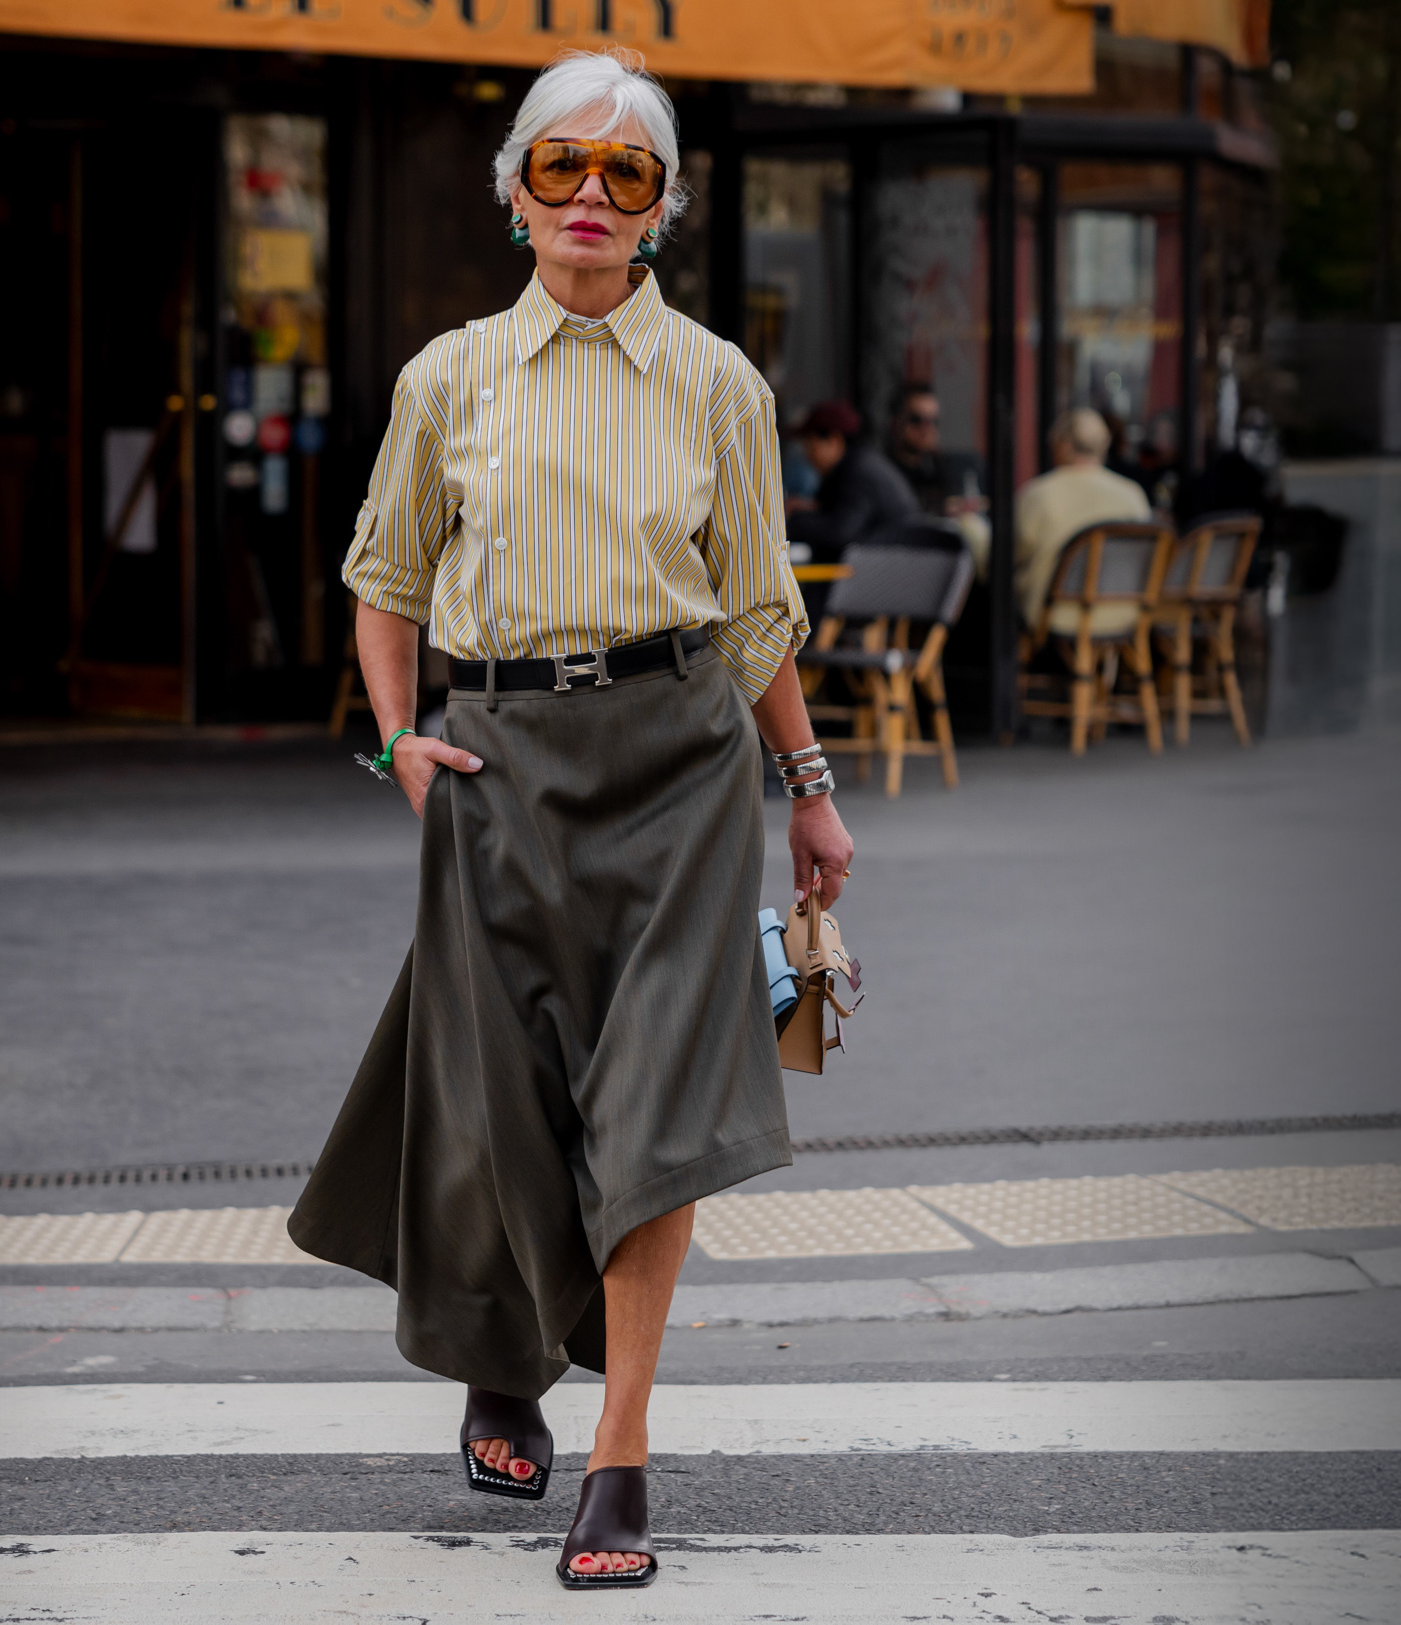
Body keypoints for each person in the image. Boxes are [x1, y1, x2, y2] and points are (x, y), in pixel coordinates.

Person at [288, 48, 853, 1592]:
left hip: (678, 764)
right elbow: (383, 582)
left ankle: (621, 1454)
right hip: (499, 762)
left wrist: (807, 794)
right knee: (509, 1100)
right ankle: (502, 1359)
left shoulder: (721, 384)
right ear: (515, 193)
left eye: (626, 173)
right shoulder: (449, 375)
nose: (591, 196)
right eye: (561, 168)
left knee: (656, 1111)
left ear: (665, 206)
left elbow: (755, 617)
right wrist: (403, 741)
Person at [998, 406, 1152, 633]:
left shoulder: (1039, 494)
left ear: (1063, 445)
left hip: (1056, 617)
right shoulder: (1132, 494)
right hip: (1125, 613)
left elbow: (1007, 556)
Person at [783, 398, 919, 562]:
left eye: (811, 446)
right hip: (885, 564)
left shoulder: (858, 471)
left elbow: (839, 532)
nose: (808, 455)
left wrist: (790, 519)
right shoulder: (856, 464)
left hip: (890, 570)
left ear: (834, 440)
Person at [883, 384, 982, 516]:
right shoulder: (884, 473)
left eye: (934, 421)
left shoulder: (941, 470)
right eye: (916, 420)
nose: (927, 429)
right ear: (895, 422)